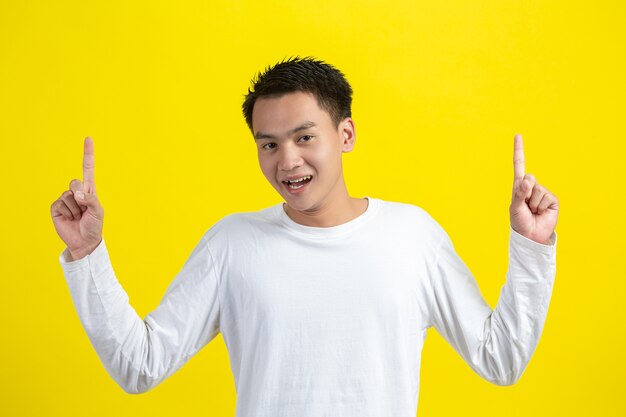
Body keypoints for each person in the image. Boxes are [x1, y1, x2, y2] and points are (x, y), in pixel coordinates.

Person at [51, 56, 558, 417]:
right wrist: (86, 252)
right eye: (268, 144)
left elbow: (501, 359)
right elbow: (139, 365)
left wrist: (531, 248)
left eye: (304, 137)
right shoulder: (233, 244)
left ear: (346, 135)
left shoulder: (412, 236)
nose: (287, 161)